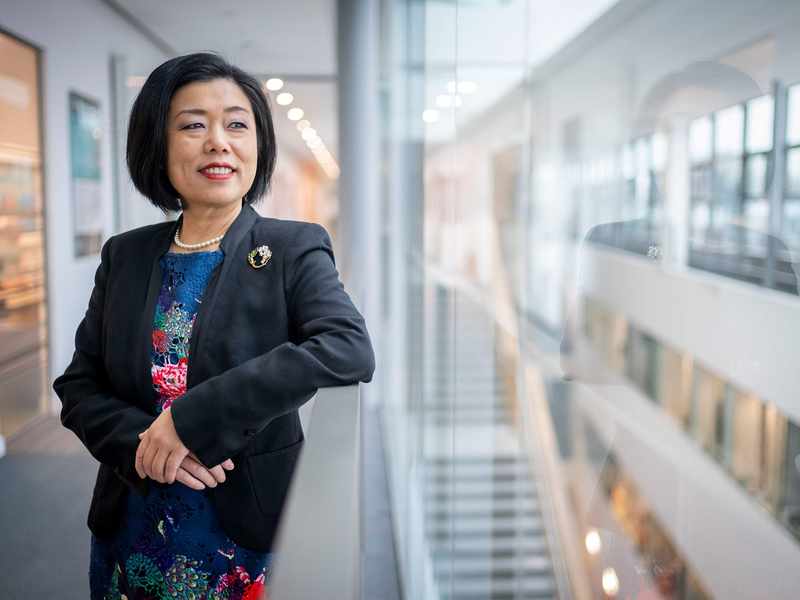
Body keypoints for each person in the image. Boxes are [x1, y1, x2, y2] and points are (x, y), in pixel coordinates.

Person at [53, 52, 375, 599]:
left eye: (236, 125)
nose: (218, 142)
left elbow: (347, 347)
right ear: (158, 144)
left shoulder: (292, 247)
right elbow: (78, 388)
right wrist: (143, 442)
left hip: (240, 536)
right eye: (193, 125)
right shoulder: (125, 256)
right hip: (132, 522)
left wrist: (191, 420)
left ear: (257, 145)